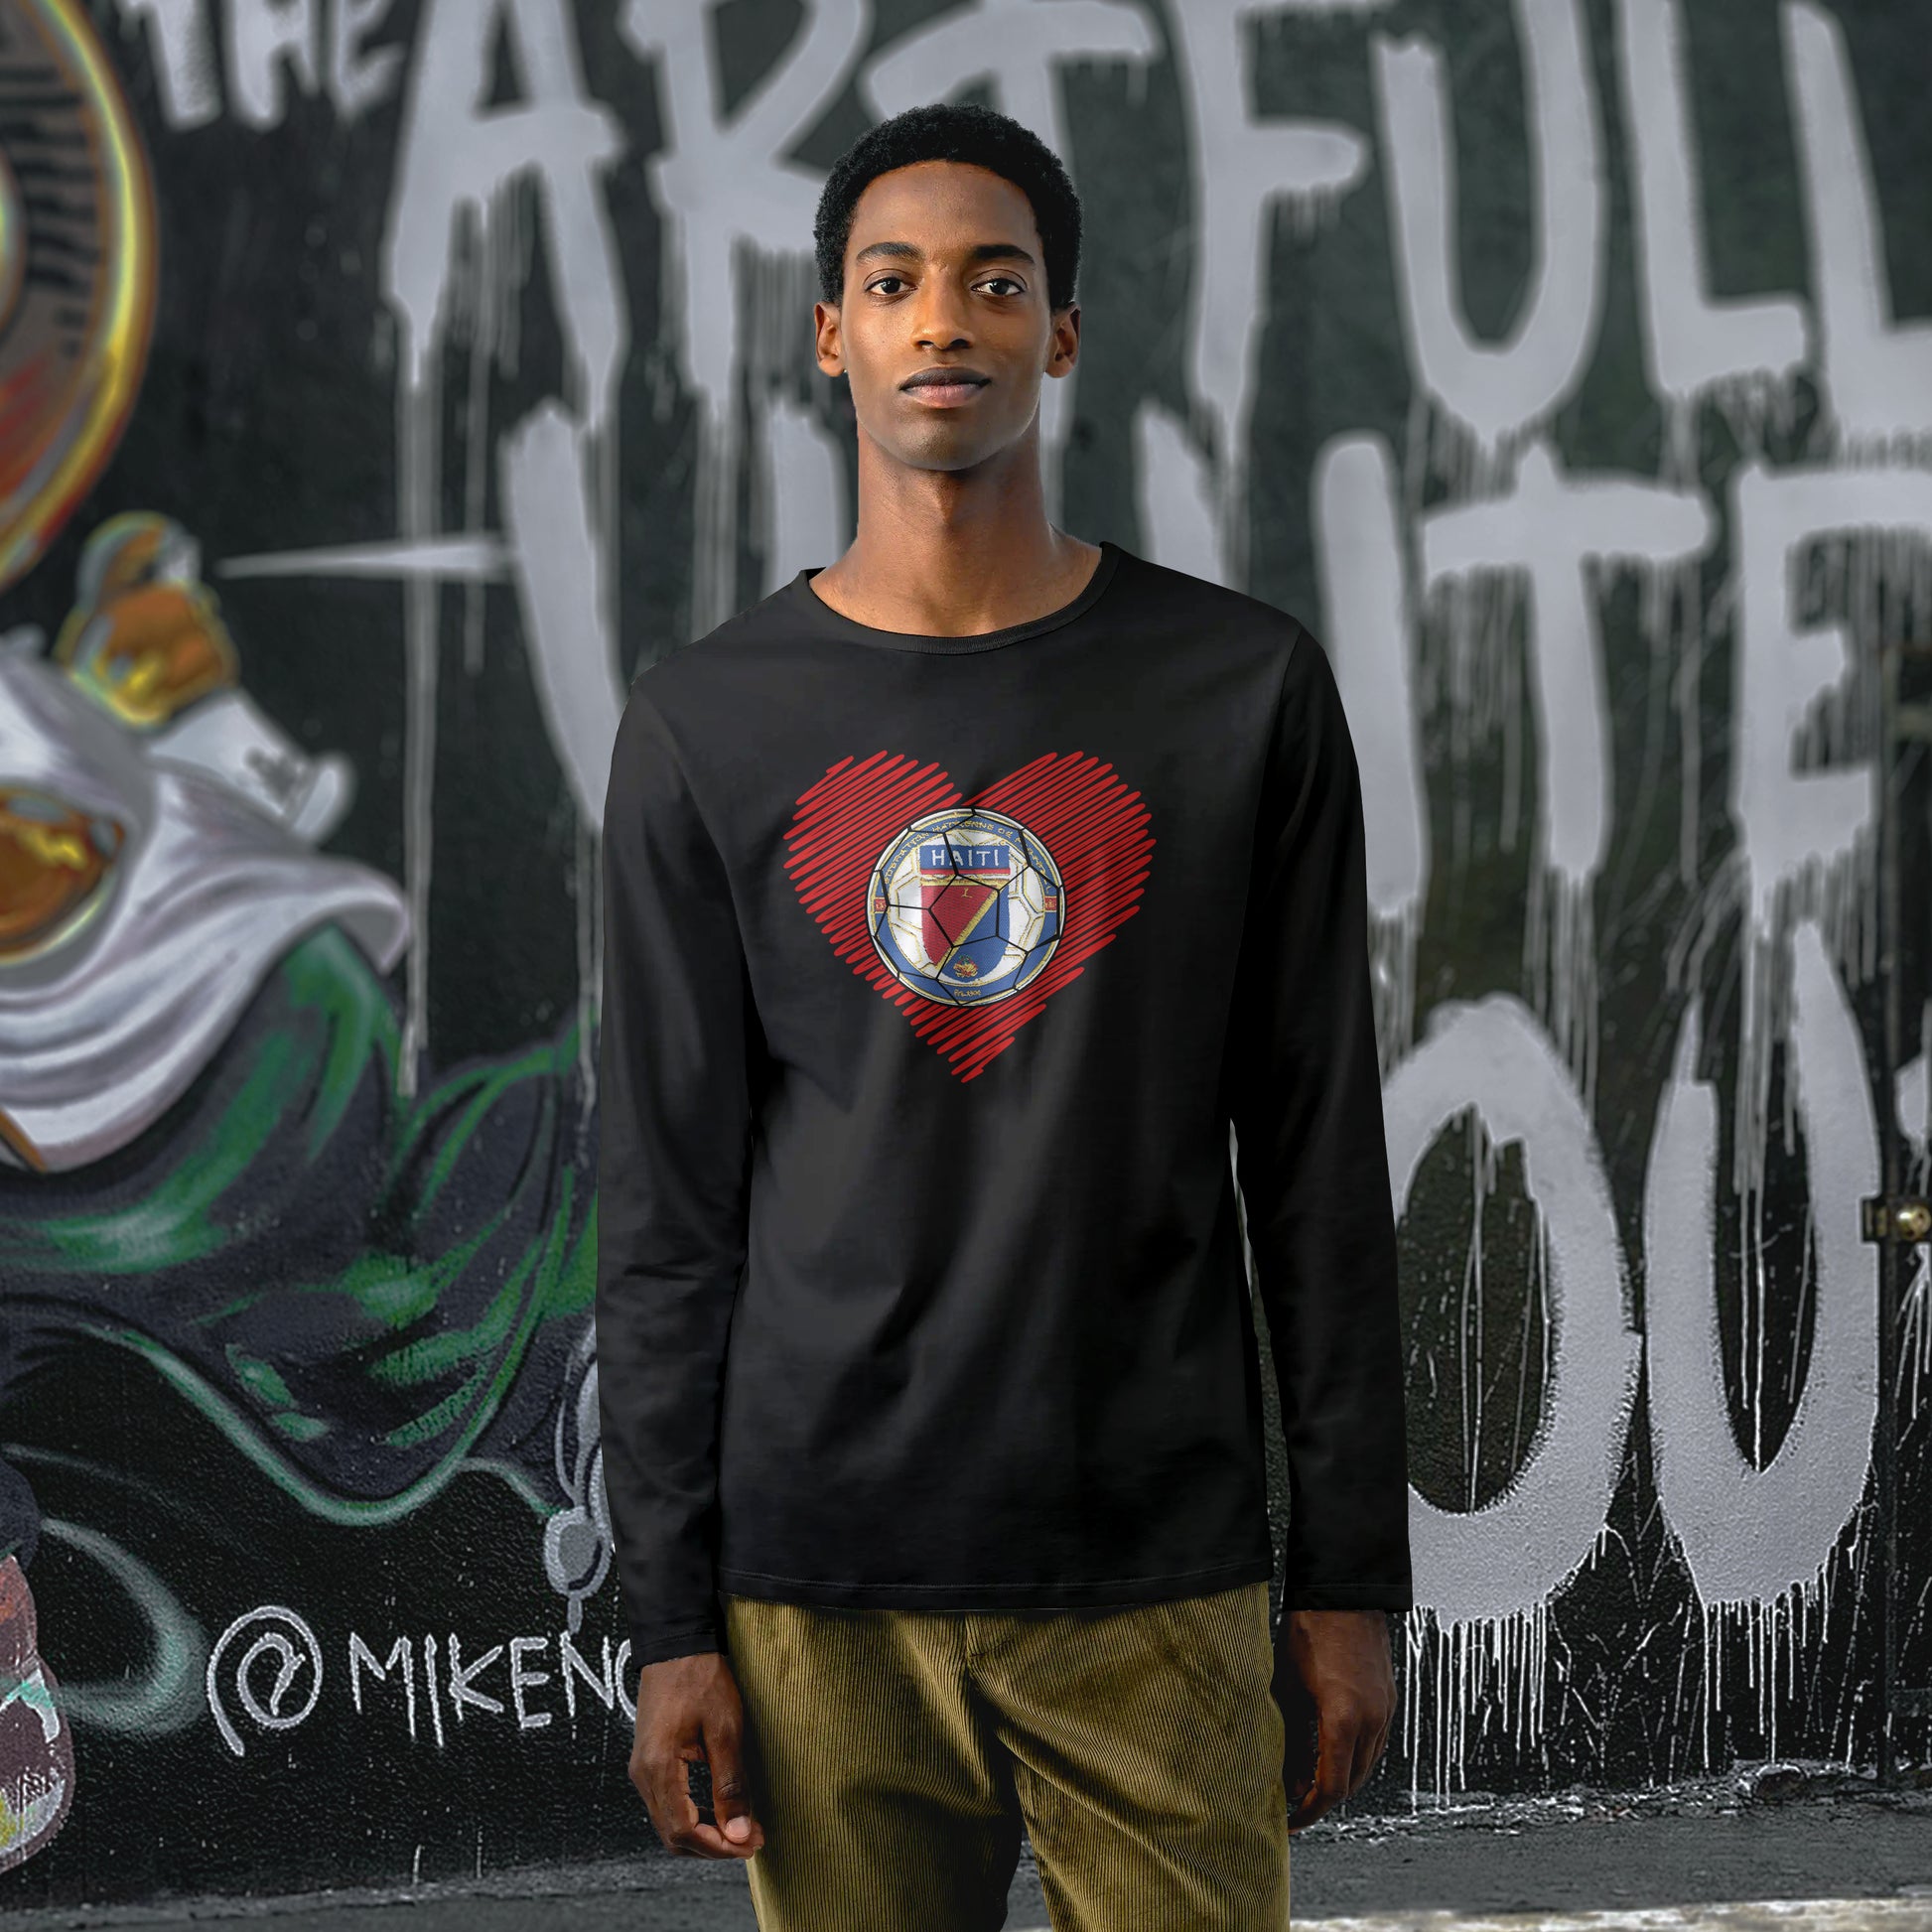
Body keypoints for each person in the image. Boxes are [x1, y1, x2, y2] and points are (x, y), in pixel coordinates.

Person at [595, 98, 1412, 1931]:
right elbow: (663, 1209)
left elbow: (1315, 1164)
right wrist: (668, 1620)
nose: (940, 319)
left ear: (1059, 333)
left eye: (992, 280)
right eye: (892, 283)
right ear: (832, 336)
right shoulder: (706, 723)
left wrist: (1349, 1576)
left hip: (1154, 1568)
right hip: (817, 1587)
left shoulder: (1238, 689)